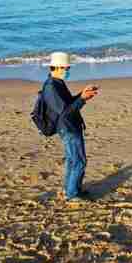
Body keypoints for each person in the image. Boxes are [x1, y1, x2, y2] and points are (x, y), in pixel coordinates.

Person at [42, 52, 98, 201]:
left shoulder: (56, 83)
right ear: (58, 68)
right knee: (78, 161)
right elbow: (65, 113)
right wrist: (82, 99)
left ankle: (71, 189)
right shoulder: (51, 87)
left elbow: (68, 104)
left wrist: (82, 95)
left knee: (73, 160)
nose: (68, 71)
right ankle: (71, 194)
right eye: (66, 68)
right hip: (67, 128)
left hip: (69, 126)